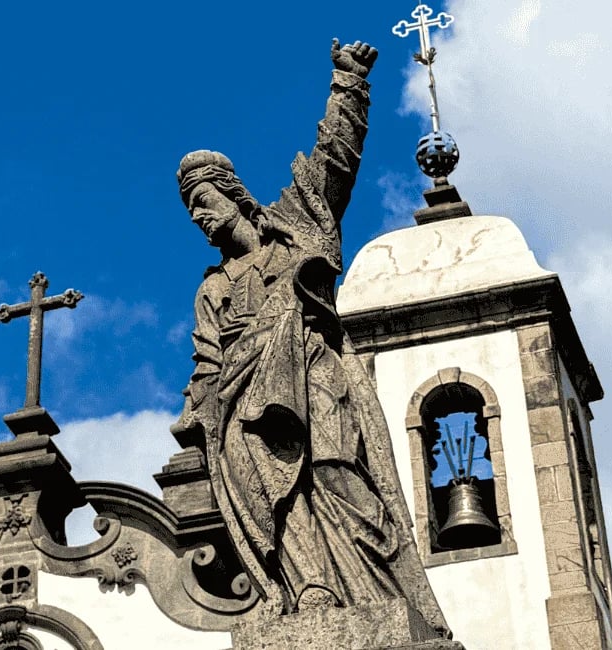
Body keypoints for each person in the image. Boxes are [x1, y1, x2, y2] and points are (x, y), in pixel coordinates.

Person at [172, 40, 449, 633]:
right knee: (279, 496)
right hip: (244, 409)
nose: (198, 216)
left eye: (202, 200)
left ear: (230, 190)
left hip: (315, 374)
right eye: (190, 209)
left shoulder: (296, 224)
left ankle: (380, 591)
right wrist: (194, 424)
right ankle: (313, 591)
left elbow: (335, 160)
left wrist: (348, 82)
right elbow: (204, 367)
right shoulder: (213, 291)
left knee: (333, 473)